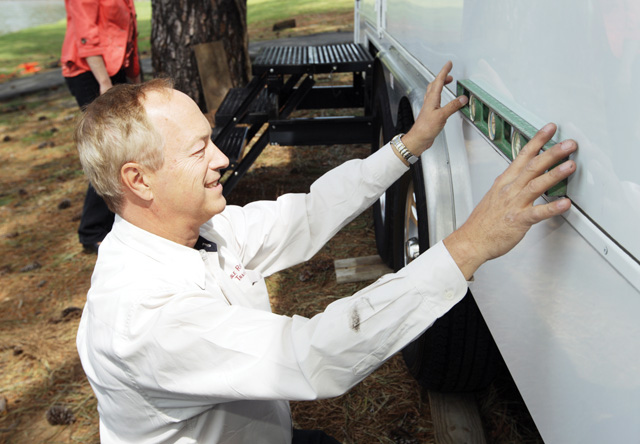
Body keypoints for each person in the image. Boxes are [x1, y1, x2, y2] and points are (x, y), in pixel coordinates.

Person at [73, 62, 577, 443]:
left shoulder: (199, 230)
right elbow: (310, 356)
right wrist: (468, 244)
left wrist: (408, 145)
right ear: (139, 180)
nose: (223, 158)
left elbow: (308, 213)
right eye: (199, 149)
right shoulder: (142, 317)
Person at [61, 0, 141, 254]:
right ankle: (92, 231)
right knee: (109, 150)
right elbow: (86, 33)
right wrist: (104, 83)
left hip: (115, 70)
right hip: (90, 71)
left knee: (127, 146)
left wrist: (135, 76)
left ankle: (119, 221)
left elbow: (129, 29)